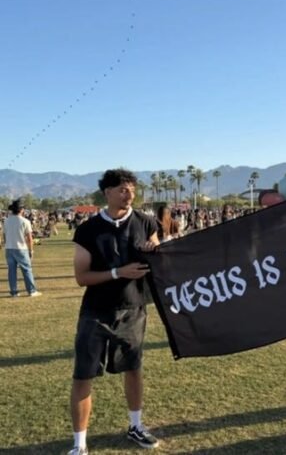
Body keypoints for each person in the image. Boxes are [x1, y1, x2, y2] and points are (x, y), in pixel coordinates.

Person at [68, 169, 162, 455]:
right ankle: (80, 444)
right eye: (122, 188)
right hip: (95, 311)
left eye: (132, 188)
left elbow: (158, 260)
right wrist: (117, 272)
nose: (129, 193)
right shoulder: (89, 229)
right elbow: (82, 277)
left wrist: (153, 252)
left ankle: (135, 425)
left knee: (133, 369)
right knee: (83, 374)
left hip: (133, 308)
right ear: (106, 192)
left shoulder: (145, 223)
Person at [4, 200, 39, 297]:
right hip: (21, 248)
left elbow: (5, 235)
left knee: (11, 271)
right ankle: (31, 291)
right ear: (21, 210)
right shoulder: (25, 221)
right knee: (26, 270)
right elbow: (29, 238)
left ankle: (14, 292)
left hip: (9, 248)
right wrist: (31, 250)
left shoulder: (6, 221)